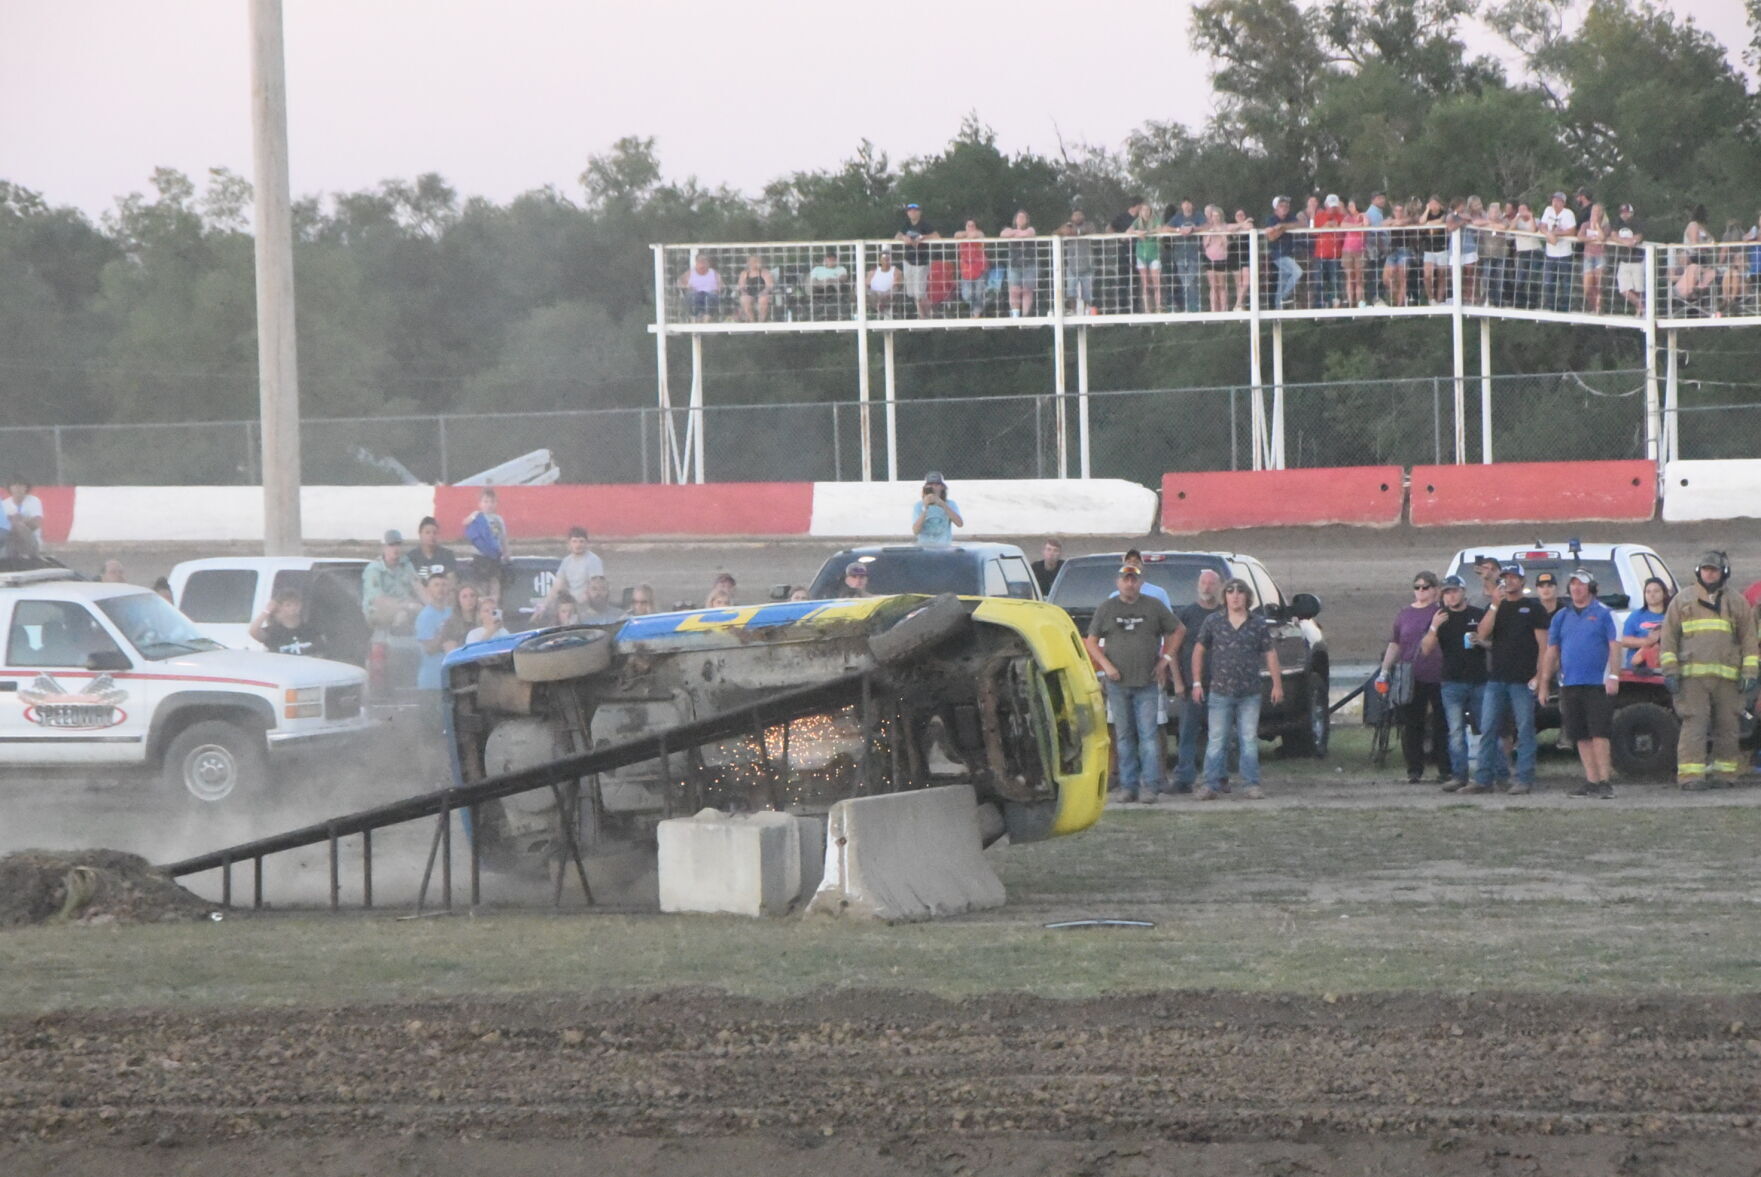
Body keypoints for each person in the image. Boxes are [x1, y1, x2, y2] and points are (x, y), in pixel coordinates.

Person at [1659, 550, 1757, 790]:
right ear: (1698, 571)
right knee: (1695, 724)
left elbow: (1749, 641)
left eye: (1714, 570)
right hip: (1692, 678)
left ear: (1723, 573)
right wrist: (1670, 670)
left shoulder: (1737, 603)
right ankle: (1691, 777)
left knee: (1728, 726)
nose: (1709, 574)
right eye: (1705, 569)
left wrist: (1750, 673)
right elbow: (1668, 638)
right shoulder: (1682, 601)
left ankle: (1725, 776)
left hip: (1729, 679)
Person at [1085, 564, 1181, 804]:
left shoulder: (1153, 606)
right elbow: (1091, 642)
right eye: (1125, 579)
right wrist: (1106, 666)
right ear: (1117, 582)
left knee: (1148, 736)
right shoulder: (1107, 608)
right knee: (1124, 737)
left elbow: (1178, 630)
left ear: (1140, 582)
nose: (1129, 583)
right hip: (1117, 685)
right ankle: (1128, 787)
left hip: (1147, 683)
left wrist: (1165, 660)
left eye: (1133, 579)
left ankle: (1150, 786)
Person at [1192, 578, 1280, 800]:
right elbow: (1199, 650)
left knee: (1248, 739)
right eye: (1230, 591)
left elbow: (1270, 653)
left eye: (1240, 591)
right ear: (1224, 596)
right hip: (1220, 691)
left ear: (1247, 597)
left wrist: (1277, 684)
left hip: (1249, 693)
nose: (1235, 595)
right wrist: (1196, 682)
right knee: (1216, 740)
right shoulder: (1213, 622)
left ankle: (1251, 784)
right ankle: (1210, 784)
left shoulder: (1258, 624)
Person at [1537, 569, 1621, 799]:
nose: (1576, 588)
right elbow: (1551, 652)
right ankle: (1591, 780)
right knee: (1580, 735)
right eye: (1572, 584)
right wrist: (1544, 684)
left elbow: (1615, 646)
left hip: (1597, 684)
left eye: (1581, 584)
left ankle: (1605, 781)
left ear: (1590, 587)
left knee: (1599, 733)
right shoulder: (1561, 617)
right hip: (1570, 683)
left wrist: (1614, 675)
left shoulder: (1604, 614)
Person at [1468, 563, 1550, 795]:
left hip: (1523, 680)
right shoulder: (1497, 607)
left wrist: (1540, 676)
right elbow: (1481, 634)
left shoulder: (1533, 608)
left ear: (1523, 582)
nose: (1510, 581)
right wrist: (1494, 604)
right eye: (1506, 577)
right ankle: (1484, 778)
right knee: (1488, 728)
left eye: (1515, 577)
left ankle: (1524, 778)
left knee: (1524, 730)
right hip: (1497, 678)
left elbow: (1544, 646)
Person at [1378, 571, 1448, 783]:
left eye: (1425, 587)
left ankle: (1445, 769)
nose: (1421, 591)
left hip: (1439, 675)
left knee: (1441, 723)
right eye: (1417, 587)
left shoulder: (1441, 613)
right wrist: (1384, 670)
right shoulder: (1404, 614)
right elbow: (1395, 643)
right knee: (1411, 724)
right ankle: (1414, 769)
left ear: (1435, 590)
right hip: (1410, 675)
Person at [1421, 575, 1487, 792]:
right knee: (1456, 732)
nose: (1451, 595)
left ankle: (1488, 775)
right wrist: (1433, 627)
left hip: (1478, 681)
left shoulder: (1478, 615)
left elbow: (1496, 642)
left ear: (1464, 592)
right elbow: (1426, 649)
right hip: (1451, 682)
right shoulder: (1440, 617)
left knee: (1485, 729)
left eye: (1455, 591)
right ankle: (1459, 775)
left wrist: (1482, 641)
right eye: (1447, 592)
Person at [1171, 568, 1224, 793]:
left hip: (1221, 686)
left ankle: (1218, 777)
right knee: (1187, 733)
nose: (1207, 587)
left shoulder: (1225, 614)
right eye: (1203, 583)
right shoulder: (1185, 615)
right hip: (1191, 684)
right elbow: (1171, 650)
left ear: (1219, 587)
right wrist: (1178, 682)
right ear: (1197, 586)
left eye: (1211, 583)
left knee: (1219, 734)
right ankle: (1184, 778)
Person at [362, 529, 423, 632]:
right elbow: (378, 600)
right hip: (378, 613)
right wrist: (407, 605)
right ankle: (392, 644)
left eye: (398, 544)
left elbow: (419, 588)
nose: (395, 548)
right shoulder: (374, 569)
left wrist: (432, 606)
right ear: (384, 547)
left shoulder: (406, 565)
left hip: (406, 609)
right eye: (391, 545)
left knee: (426, 614)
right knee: (402, 615)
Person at [894, 202, 940, 319]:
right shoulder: (906, 225)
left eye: (915, 210)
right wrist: (903, 237)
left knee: (919, 293)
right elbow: (897, 236)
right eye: (910, 210)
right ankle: (925, 313)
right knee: (910, 292)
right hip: (908, 260)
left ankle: (925, 315)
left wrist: (924, 238)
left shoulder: (924, 225)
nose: (912, 212)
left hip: (921, 261)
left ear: (919, 212)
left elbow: (937, 236)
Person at [543, 525, 603, 616]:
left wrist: (577, 606)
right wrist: (543, 606)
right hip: (571, 607)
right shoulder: (566, 561)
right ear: (569, 543)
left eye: (581, 541)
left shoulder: (593, 560)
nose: (578, 545)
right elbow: (556, 587)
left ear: (587, 543)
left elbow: (595, 588)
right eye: (574, 541)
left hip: (589, 609)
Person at [249, 588, 320, 656]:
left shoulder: (310, 630)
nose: (293, 608)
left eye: (296, 604)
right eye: (288, 605)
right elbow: (253, 631)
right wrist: (267, 611)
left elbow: (321, 653)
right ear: (279, 608)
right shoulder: (273, 632)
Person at [414, 574, 455, 691]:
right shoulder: (425, 616)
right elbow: (429, 649)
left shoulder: (453, 613)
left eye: (444, 585)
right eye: (436, 585)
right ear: (428, 590)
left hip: (453, 681)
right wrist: (444, 631)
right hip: (432, 683)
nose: (440, 589)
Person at [1620, 577, 1670, 670]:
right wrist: (1648, 641)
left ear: (1664, 594)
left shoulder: (1672, 615)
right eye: (1648, 592)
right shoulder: (1636, 616)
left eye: (1656, 591)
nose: (1652, 595)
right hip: (1638, 670)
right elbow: (1622, 640)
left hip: (1665, 669)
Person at [1540, 191, 1578, 312]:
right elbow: (1542, 225)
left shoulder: (1568, 214)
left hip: (1564, 253)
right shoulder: (1548, 210)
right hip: (1550, 253)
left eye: (1558, 200)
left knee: (1565, 283)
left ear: (1563, 202)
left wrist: (1558, 233)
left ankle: (1565, 307)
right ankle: (1549, 306)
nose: (1555, 203)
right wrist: (1548, 234)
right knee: (1548, 282)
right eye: (1554, 200)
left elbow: (1572, 231)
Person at [1165, 198, 1204, 313]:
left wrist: (1193, 229)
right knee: (1183, 282)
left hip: (1193, 254)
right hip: (1180, 254)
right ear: (1182, 206)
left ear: (1192, 205)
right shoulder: (1178, 217)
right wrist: (1178, 229)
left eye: (1188, 204)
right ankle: (1185, 307)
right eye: (1184, 204)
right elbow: (1165, 228)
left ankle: (1193, 306)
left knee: (1191, 281)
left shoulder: (1198, 216)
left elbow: (1207, 226)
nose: (1187, 206)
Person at [1264, 195, 1303, 308]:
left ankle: (1278, 309)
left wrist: (1283, 226)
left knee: (1282, 282)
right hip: (1278, 255)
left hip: (1288, 254)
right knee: (1297, 272)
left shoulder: (1289, 218)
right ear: (1276, 208)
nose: (1285, 208)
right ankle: (1285, 297)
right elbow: (1271, 237)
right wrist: (1283, 229)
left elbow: (1300, 224)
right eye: (1282, 206)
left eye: (1287, 206)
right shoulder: (1271, 219)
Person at [1055, 208, 1097, 312]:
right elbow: (1055, 233)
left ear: (1083, 216)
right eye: (1075, 215)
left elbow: (1091, 232)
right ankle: (1073, 310)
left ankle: (1087, 310)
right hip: (1072, 266)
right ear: (1071, 217)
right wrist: (1063, 231)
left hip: (1087, 265)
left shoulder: (1089, 225)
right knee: (1071, 291)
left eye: (1079, 214)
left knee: (1088, 292)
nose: (1077, 217)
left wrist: (1076, 232)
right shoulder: (1067, 225)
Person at [999, 209, 1038, 317]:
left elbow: (1029, 233)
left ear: (1027, 220)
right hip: (1014, 265)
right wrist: (1016, 232)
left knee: (1027, 290)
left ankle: (1025, 315)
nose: (1020, 219)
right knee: (1014, 290)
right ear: (1015, 220)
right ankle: (1015, 315)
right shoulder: (1009, 229)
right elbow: (1003, 234)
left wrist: (1016, 234)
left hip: (1029, 265)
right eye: (1019, 217)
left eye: (1023, 217)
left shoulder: (1031, 229)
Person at [911, 471, 962, 546]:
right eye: (930, 485)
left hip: (944, 546)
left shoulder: (950, 504)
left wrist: (943, 505)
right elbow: (916, 531)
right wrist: (925, 508)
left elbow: (959, 524)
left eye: (937, 484)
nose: (934, 487)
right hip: (924, 547)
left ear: (942, 487)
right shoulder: (919, 505)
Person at [461, 488, 509, 568]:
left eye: (492, 501)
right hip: (480, 554)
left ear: (496, 503)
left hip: (495, 553)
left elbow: (503, 537)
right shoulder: (477, 515)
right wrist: (473, 516)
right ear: (480, 504)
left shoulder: (498, 519)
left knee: (495, 577)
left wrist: (506, 553)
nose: (489, 504)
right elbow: (465, 523)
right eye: (486, 501)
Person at [1612, 203, 1647, 314]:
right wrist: (1625, 242)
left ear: (1631, 212)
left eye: (1626, 212)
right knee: (1623, 289)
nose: (1624, 215)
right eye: (1622, 212)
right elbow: (1613, 235)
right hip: (1624, 260)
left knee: (1638, 288)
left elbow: (1639, 236)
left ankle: (1639, 310)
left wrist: (1633, 241)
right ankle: (1642, 306)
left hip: (1637, 260)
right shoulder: (1618, 221)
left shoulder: (1636, 222)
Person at [1311, 194, 1344, 308]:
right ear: (1326, 205)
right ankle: (1319, 303)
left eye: (1334, 206)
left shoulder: (1341, 217)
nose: (1332, 209)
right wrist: (1324, 226)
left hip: (1335, 254)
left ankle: (1335, 301)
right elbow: (1313, 232)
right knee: (1319, 280)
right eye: (1331, 206)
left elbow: (1343, 235)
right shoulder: (1319, 216)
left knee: (1335, 279)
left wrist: (1337, 227)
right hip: (1320, 254)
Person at [1130, 200, 1163, 314]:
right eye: (1143, 210)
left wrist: (1147, 232)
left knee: (1156, 282)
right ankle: (1147, 308)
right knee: (1145, 283)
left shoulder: (1155, 220)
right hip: (1141, 255)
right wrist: (1137, 232)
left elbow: (1159, 229)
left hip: (1154, 254)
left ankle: (1158, 307)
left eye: (1148, 210)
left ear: (1151, 211)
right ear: (1140, 212)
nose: (1146, 212)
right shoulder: (1137, 222)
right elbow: (1128, 231)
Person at [1578, 202, 1610, 314]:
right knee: (1587, 286)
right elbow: (1580, 237)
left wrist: (1596, 226)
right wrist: (1591, 239)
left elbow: (1602, 238)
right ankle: (1592, 306)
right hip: (1588, 256)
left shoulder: (1605, 226)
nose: (1594, 213)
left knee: (1599, 283)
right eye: (1593, 211)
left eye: (1597, 211)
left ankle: (1599, 308)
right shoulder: (1585, 225)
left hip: (1600, 256)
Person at [953, 219, 990, 317]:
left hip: (980, 269)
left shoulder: (979, 235)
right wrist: (968, 234)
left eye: (972, 225)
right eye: (968, 225)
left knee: (978, 293)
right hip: (966, 271)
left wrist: (970, 235)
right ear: (965, 227)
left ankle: (976, 314)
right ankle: (980, 306)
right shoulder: (961, 236)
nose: (970, 227)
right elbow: (956, 235)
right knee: (967, 295)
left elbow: (979, 235)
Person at [3, 479, 44, 559]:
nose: (18, 488)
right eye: (14, 485)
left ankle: (30, 556)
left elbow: (36, 524)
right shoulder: (4, 505)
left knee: (16, 526)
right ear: (10, 488)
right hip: (11, 543)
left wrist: (19, 522)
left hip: (31, 541)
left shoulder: (34, 501)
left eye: (21, 485)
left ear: (26, 487)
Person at [408, 516, 457, 583]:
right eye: (427, 532)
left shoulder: (447, 555)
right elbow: (410, 582)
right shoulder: (411, 557)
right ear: (420, 534)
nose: (432, 536)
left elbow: (451, 581)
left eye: (435, 533)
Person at [677, 252, 721, 322]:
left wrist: (717, 289)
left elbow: (721, 286)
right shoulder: (690, 273)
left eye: (704, 261)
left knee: (712, 296)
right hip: (695, 294)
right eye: (700, 261)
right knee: (692, 295)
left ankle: (706, 322)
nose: (702, 263)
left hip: (710, 295)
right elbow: (679, 283)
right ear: (696, 262)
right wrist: (686, 287)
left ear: (708, 263)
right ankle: (693, 321)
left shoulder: (714, 273)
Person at [1340, 198, 1368, 307]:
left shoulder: (1363, 216)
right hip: (1347, 250)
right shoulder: (1348, 217)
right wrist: (1356, 226)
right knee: (1349, 277)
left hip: (1360, 250)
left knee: (1359, 278)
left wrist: (1363, 216)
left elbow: (1366, 225)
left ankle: (1360, 301)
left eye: (1352, 206)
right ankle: (1351, 302)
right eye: (1349, 206)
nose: (1350, 208)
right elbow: (1343, 225)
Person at [806, 248, 850, 317]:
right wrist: (823, 282)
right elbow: (813, 281)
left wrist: (832, 280)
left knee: (834, 287)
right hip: (820, 288)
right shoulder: (817, 269)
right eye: (829, 259)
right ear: (825, 260)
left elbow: (844, 278)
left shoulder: (841, 268)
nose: (831, 261)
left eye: (833, 259)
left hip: (836, 287)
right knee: (823, 287)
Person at [732, 254, 773, 323]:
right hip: (749, 293)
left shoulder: (764, 272)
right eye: (751, 261)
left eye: (755, 261)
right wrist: (744, 293)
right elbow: (741, 286)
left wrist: (764, 292)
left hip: (762, 292)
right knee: (744, 299)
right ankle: (752, 320)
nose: (753, 263)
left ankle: (761, 321)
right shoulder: (744, 273)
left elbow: (769, 285)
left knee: (763, 299)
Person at [867, 250, 898, 318]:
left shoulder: (896, 271)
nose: (886, 261)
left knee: (891, 293)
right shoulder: (873, 271)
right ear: (880, 260)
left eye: (888, 258)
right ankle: (877, 310)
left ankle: (881, 310)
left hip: (888, 295)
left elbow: (896, 286)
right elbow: (867, 285)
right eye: (884, 258)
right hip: (874, 295)